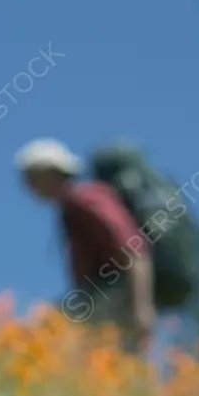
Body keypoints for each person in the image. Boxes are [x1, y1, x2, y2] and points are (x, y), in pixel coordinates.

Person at [15, 138, 156, 351]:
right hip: (98, 293)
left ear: (50, 172)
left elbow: (134, 249)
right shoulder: (73, 204)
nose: (28, 186)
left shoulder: (83, 199)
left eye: (31, 177)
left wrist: (142, 308)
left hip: (113, 293)